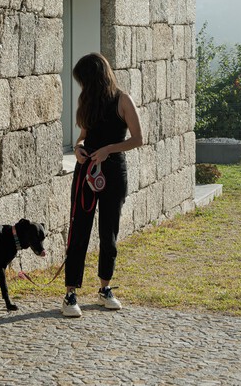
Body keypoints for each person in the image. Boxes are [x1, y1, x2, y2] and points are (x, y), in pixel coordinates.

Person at [62, 52, 143, 318]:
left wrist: (108, 149)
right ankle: (70, 293)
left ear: (94, 77)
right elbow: (83, 136)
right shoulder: (86, 100)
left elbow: (137, 139)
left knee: (109, 232)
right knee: (79, 229)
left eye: (84, 80)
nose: (82, 86)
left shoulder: (123, 100)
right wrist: (77, 149)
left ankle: (105, 287)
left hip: (113, 169)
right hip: (86, 170)